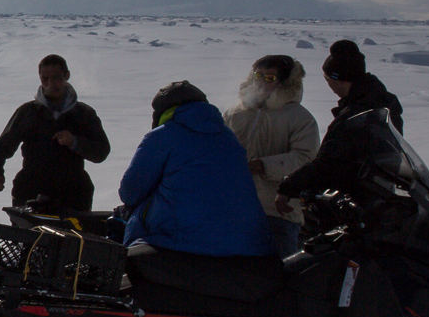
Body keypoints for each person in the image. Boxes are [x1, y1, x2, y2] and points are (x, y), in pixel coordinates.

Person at [117, 81, 274, 256]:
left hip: (180, 244)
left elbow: (131, 192)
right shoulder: (229, 137)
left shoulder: (163, 136)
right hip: (250, 247)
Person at [274, 40, 406, 211]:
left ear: (340, 80)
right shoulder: (384, 102)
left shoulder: (356, 115)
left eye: (327, 78)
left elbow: (330, 161)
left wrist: (288, 186)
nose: (328, 84)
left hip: (357, 203)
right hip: (380, 193)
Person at [0, 54, 111, 213]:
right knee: (32, 239)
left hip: (74, 198)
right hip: (30, 197)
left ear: (67, 76)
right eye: (45, 78)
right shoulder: (28, 112)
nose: (51, 83)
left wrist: (75, 142)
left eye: (56, 77)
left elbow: (102, 151)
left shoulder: (83, 114)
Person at [223, 54, 319, 257]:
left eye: (269, 78)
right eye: (258, 76)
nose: (261, 83)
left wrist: (264, 165)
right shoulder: (234, 114)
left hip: (278, 212)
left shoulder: (299, 118)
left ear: (285, 82)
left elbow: (306, 160)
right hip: (235, 210)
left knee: (279, 276)